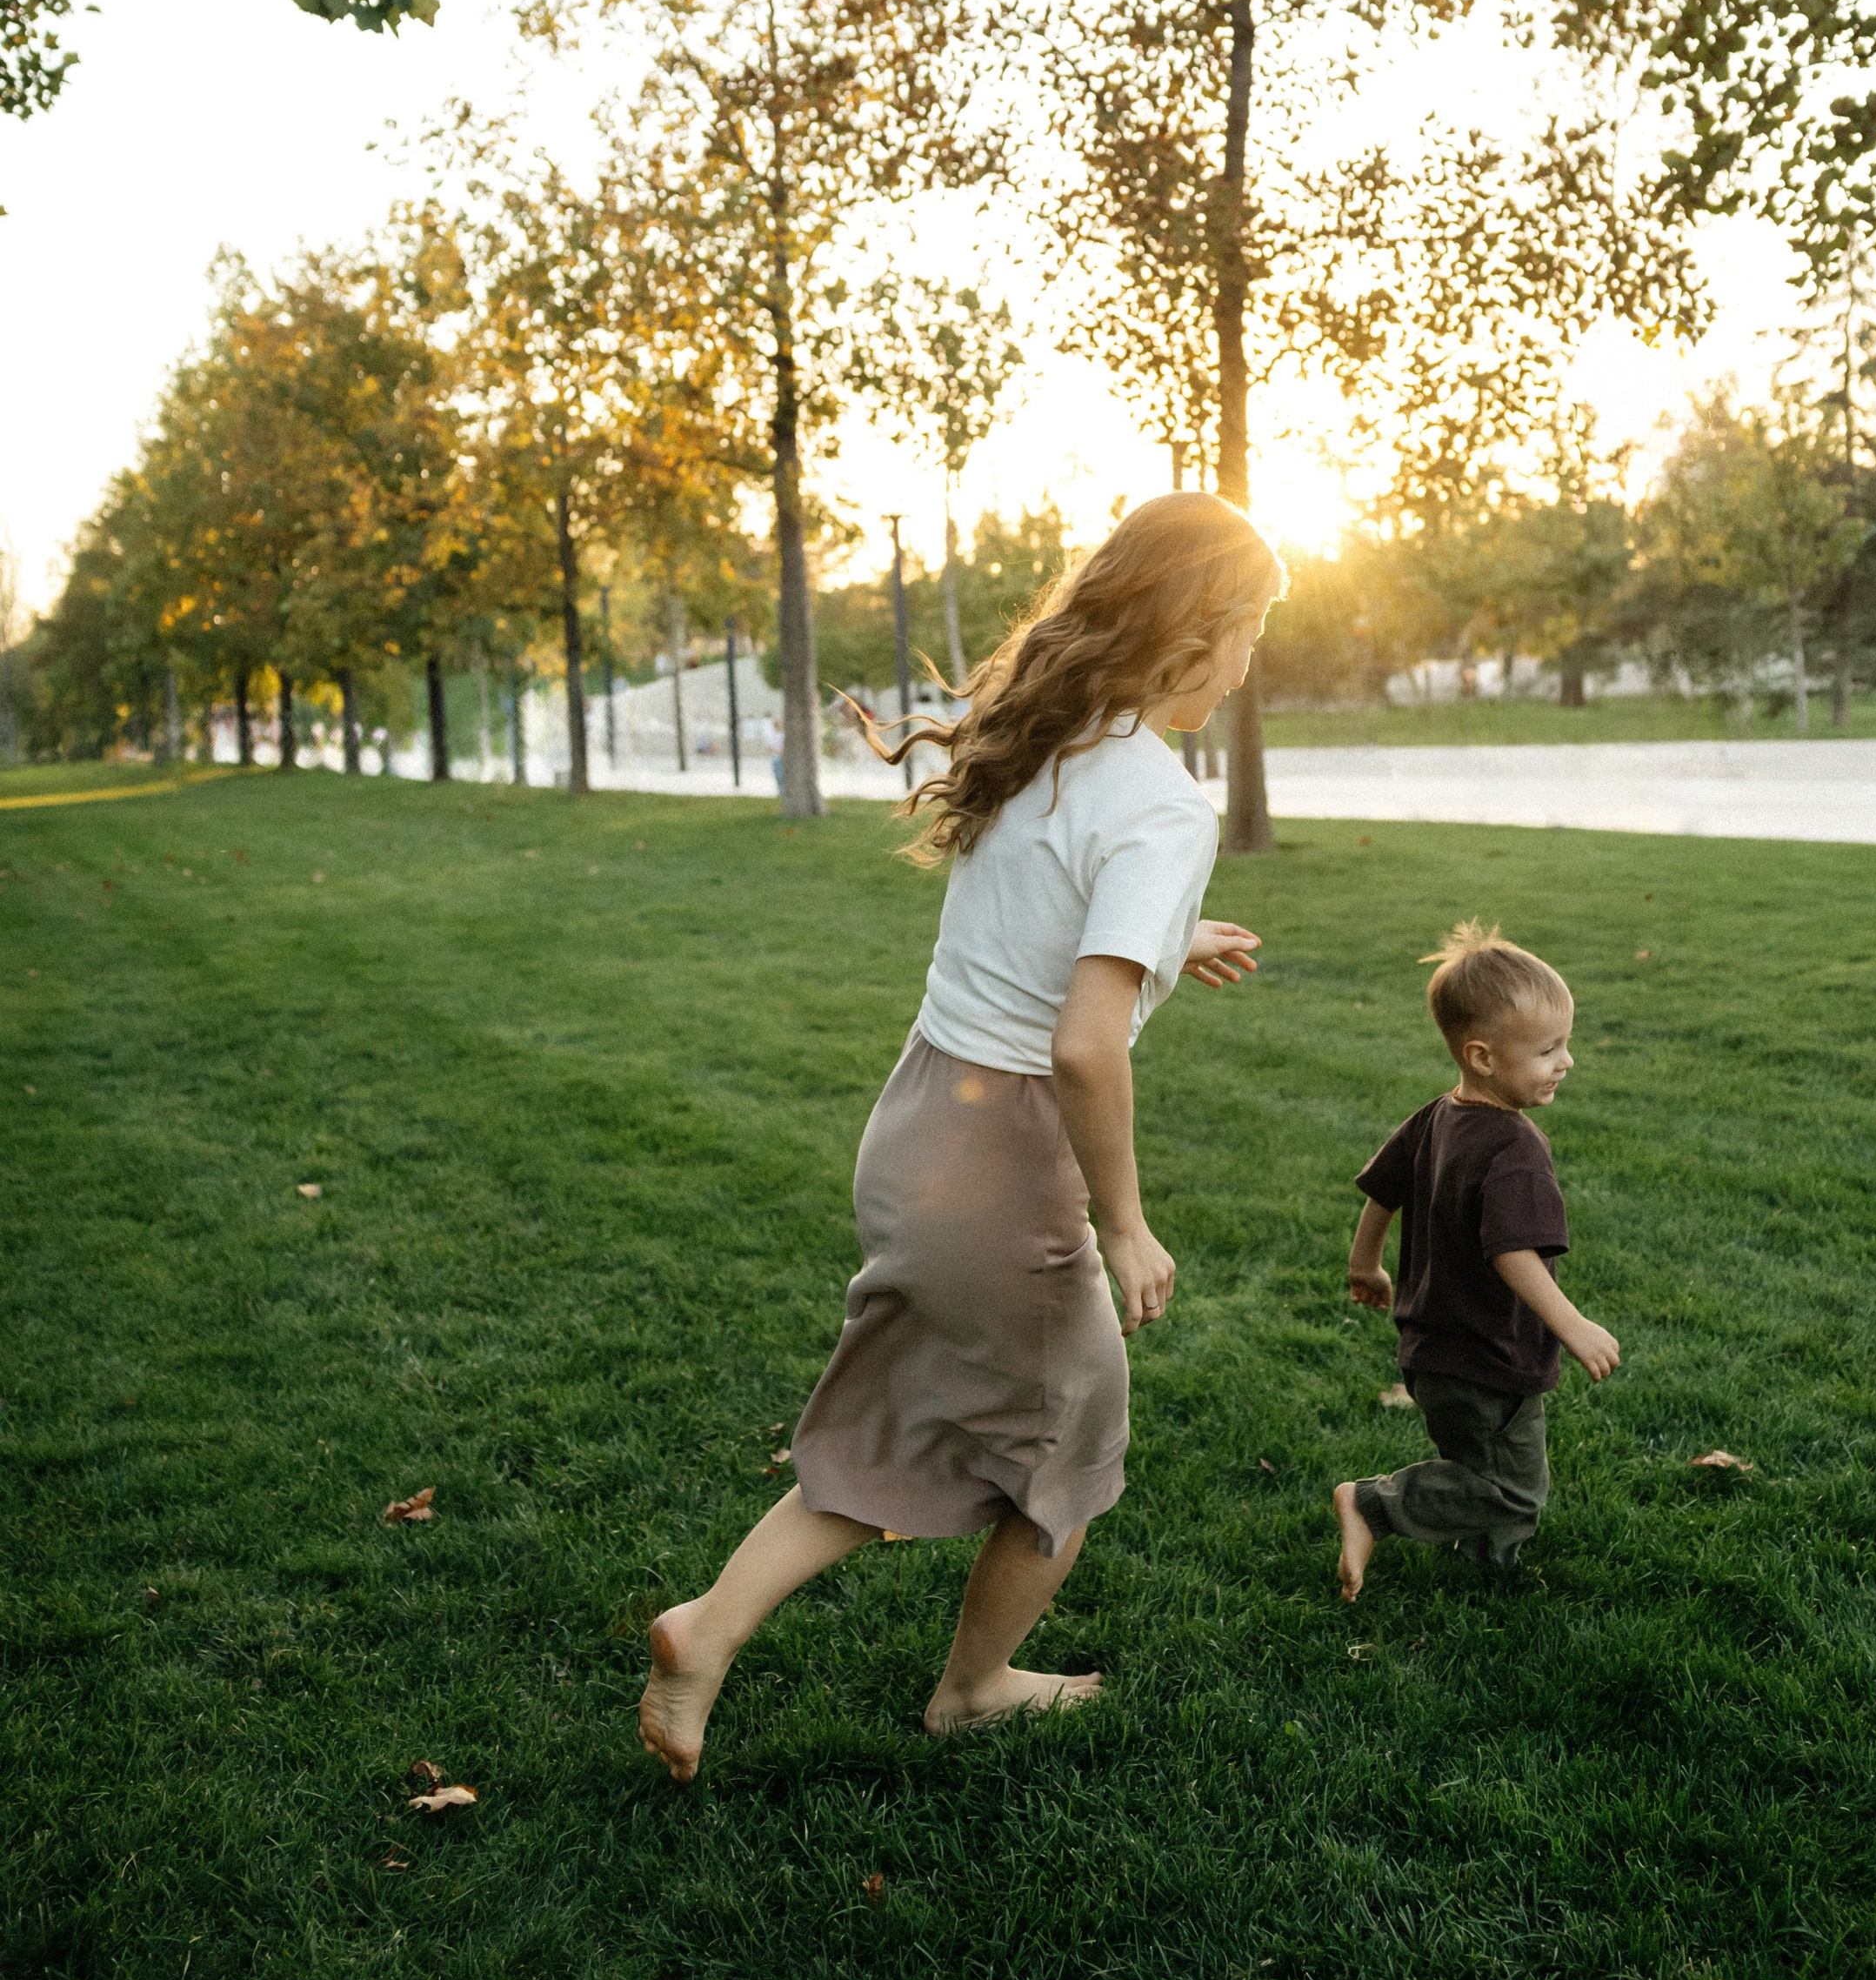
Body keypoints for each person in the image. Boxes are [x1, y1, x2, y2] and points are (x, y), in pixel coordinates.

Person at [638, 492, 1283, 1776]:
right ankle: (975, 1689)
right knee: (1074, 1442)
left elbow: (1039, 922)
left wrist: (1168, 937)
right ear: (1190, 631)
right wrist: (1126, 1224)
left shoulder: (1045, 739)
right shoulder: (1161, 805)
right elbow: (1084, 1046)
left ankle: (705, 1631)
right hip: (1008, 1166)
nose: (1250, 661)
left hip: (923, 1120)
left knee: (906, 1416)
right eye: (1250, 631)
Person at [1332, 921, 1620, 1602]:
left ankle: (1488, 1573)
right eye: (1547, 1050)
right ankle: (1373, 1505)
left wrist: (1364, 1265)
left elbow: (1382, 1192)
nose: (1567, 1061)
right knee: (1513, 1485)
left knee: (1485, 1467)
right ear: (1483, 1056)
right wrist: (1572, 1326)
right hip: (1488, 1356)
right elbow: (1513, 1254)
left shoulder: (1438, 1115)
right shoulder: (1514, 1148)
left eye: (1565, 1044)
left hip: (1434, 1346)